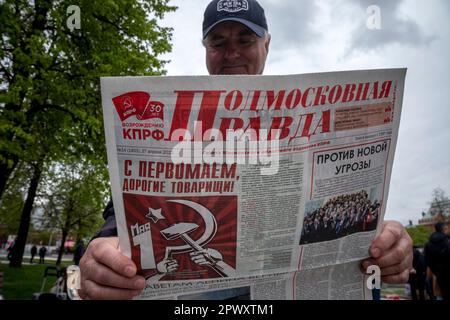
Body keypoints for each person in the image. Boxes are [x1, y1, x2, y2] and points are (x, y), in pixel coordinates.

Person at [79, 0, 413, 300]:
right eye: (218, 42)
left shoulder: (304, 118)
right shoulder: (172, 123)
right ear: (205, 50)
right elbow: (125, 204)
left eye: (245, 40)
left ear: (267, 44)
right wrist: (105, 247)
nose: (232, 52)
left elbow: (362, 210)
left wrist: (388, 245)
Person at [424, 222, 450, 300]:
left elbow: (427, 261)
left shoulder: (428, 244)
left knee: (439, 296)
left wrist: (436, 271)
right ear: (444, 229)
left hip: (437, 275)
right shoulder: (448, 241)